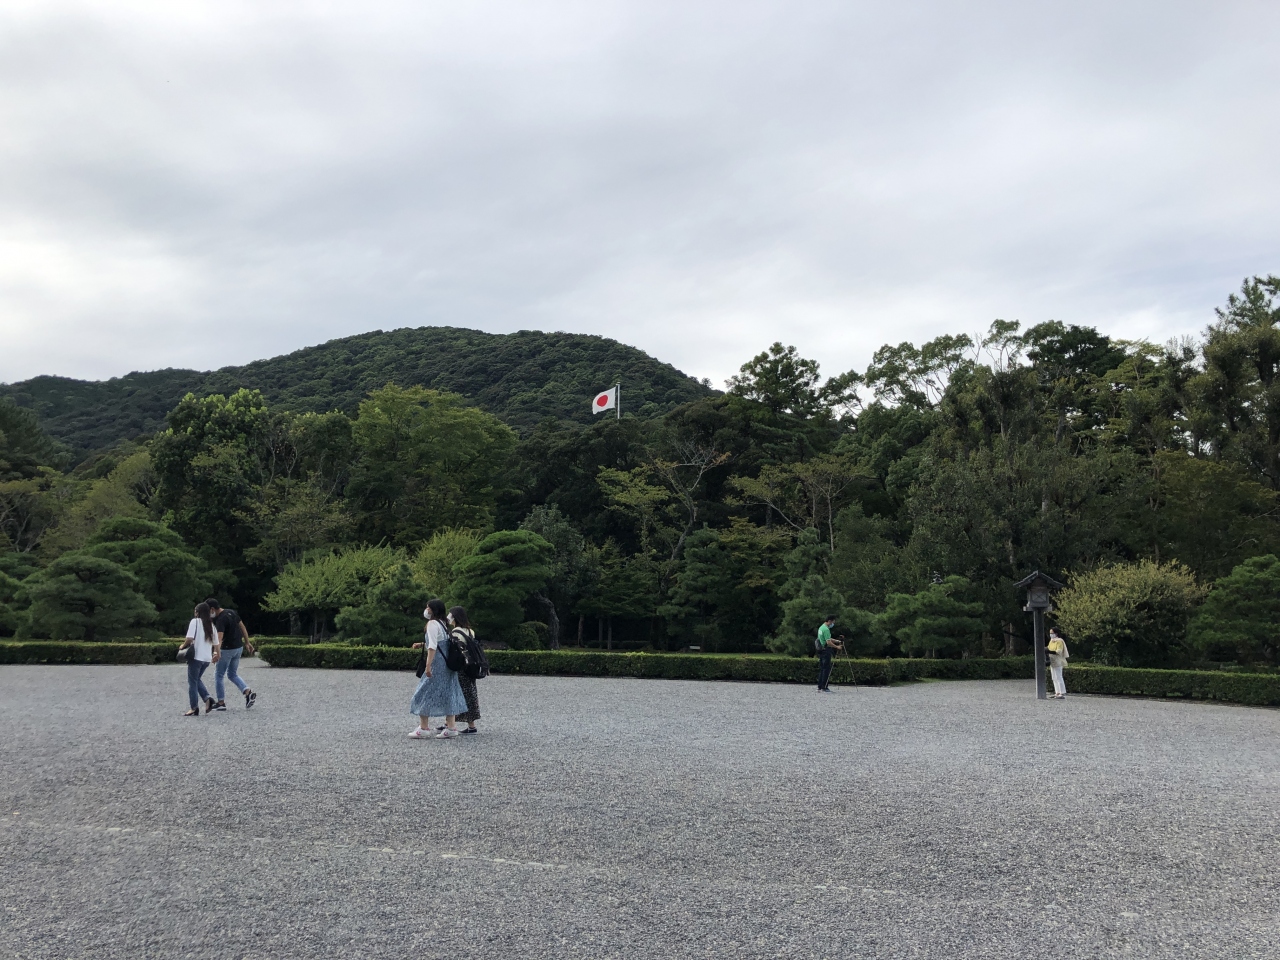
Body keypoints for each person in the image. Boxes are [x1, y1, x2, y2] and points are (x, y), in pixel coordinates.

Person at [409, 598, 467, 740]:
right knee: (448, 693)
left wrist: (428, 666)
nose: (426, 610)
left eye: (428, 607)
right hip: (447, 665)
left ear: (433, 610)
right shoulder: (443, 624)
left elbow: (433, 646)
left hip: (437, 664)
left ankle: (424, 727)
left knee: (422, 693)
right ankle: (451, 727)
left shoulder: (432, 624)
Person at [207, 598, 258, 711]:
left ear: (212, 609)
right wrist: (247, 642)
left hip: (227, 649)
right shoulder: (231, 612)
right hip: (238, 648)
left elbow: (219, 638)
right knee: (232, 674)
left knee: (219, 675)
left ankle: (221, 703)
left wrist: (216, 652)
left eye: (208, 611)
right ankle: (247, 692)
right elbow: (242, 626)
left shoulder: (220, 619)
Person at [177, 602, 220, 716]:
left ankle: (194, 707)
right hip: (206, 658)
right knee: (196, 679)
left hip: (196, 657)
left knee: (192, 682)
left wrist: (182, 646)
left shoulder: (195, 622)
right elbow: (216, 643)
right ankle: (208, 699)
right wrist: (217, 654)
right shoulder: (211, 625)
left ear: (198, 612)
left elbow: (189, 638)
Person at [448, 606, 480, 734]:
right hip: (471, 666)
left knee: (457, 694)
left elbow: (452, 648)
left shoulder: (456, 632)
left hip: (460, 666)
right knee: (470, 693)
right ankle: (469, 724)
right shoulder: (470, 631)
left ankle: (452, 724)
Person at [816, 615, 844, 693]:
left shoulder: (821, 627)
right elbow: (828, 642)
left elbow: (827, 638)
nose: (833, 624)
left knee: (822, 668)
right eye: (833, 622)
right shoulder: (826, 629)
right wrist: (837, 647)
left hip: (821, 649)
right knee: (826, 669)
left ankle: (820, 686)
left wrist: (837, 641)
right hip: (826, 650)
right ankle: (824, 687)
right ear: (829, 621)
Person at [1047, 627, 1070, 699]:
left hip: (1058, 661)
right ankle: (1057, 692)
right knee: (1054, 677)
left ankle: (1061, 692)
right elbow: (1048, 648)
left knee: (1058, 676)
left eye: (1052, 633)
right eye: (1050, 633)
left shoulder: (1059, 641)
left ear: (1056, 633)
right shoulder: (1051, 641)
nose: (1051, 634)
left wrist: (1050, 651)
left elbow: (1059, 651)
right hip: (1052, 660)